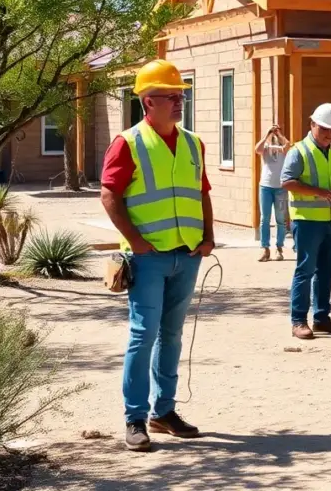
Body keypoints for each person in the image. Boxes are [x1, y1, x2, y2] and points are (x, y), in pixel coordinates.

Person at [99, 59, 215, 453]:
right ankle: (135, 417)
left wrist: (209, 237)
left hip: (188, 253)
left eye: (182, 94)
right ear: (148, 101)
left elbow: (202, 193)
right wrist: (135, 241)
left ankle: (163, 412)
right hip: (147, 258)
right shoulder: (128, 143)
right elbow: (109, 195)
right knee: (142, 335)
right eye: (171, 96)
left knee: (172, 336)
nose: (179, 101)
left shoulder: (192, 143)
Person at [281, 103, 331, 339]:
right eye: (324, 129)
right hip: (307, 221)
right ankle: (298, 320)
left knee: (327, 271)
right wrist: (319, 192)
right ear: (312, 124)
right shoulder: (298, 151)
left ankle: (321, 317)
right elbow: (287, 181)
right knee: (306, 270)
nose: (328, 134)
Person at [256, 124, 291, 262]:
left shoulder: (282, 149)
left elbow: (288, 145)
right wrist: (267, 134)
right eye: (273, 134)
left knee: (280, 219)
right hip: (265, 186)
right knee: (264, 218)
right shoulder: (265, 148)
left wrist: (279, 134)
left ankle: (279, 248)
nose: (274, 136)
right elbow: (256, 149)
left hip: (280, 188)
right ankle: (265, 248)